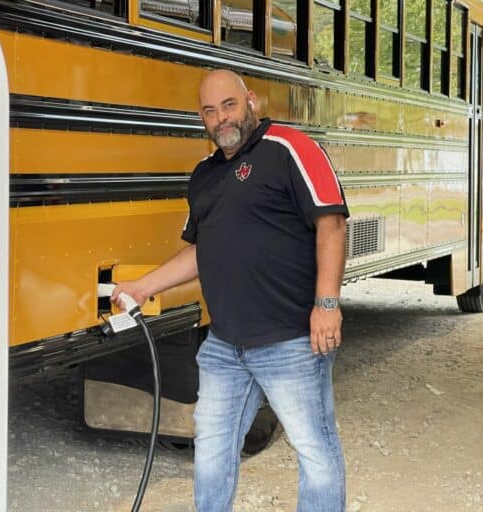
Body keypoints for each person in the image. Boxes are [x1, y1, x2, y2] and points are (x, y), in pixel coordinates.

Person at [112, 69, 348, 512]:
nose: (221, 118)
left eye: (229, 105)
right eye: (209, 110)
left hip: (292, 340)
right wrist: (143, 287)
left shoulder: (290, 149)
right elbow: (201, 251)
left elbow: (332, 225)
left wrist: (327, 304)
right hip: (225, 346)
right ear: (200, 117)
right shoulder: (204, 175)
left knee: (315, 450)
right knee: (213, 452)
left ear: (251, 102)